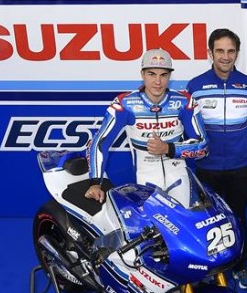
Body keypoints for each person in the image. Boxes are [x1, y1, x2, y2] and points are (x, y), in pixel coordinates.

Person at [185, 29, 247, 290]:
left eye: (230, 51)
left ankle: (240, 265)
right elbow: (190, 126)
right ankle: (212, 268)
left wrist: (237, 143)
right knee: (208, 220)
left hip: (240, 165)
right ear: (210, 53)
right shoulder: (195, 86)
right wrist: (208, 148)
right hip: (207, 166)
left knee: (238, 217)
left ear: (237, 53)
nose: (225, 56)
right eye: (220, 51)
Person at [85, 48, 208, 206]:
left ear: (169, 76)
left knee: (183, 220)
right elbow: (99, 143)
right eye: (151, 74)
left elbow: (203, 145)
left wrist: (168, 148)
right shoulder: (125, 104)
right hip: (146, 178)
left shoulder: (185, 102)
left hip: (178, 174)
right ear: (142, 74)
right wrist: (95, 183)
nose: (158, 81)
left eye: (163, 75)